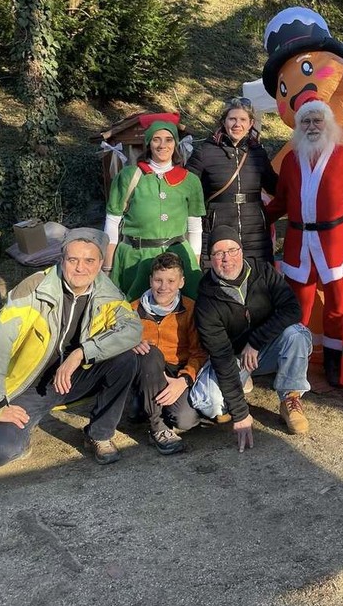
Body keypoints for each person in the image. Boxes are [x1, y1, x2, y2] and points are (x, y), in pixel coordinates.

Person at [0, 228, 141, 467]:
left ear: (99, 264)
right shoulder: (34, 290)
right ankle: (22, 434)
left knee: (126, 359)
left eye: (89, 261)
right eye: (73, 260)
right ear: (61, 259)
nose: (80, 268)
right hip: (30, 387)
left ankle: (99, 434)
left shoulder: (106, 292)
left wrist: (81, 352)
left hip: (74, 377)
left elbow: (132, 329)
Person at [265, 100, 343, 386]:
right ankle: (294, 362)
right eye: (306, 122)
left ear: (328, 123)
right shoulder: (290, 160)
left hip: (335, 245)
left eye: (317, 121)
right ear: (299, 127)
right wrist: (255, 218)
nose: (312, 127)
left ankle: (334, 363)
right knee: (298, 307)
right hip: (299, 243)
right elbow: (282, 202)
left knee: (338, 307)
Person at [195, 226, 313, 446]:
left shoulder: (263, 272)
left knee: (297, 334)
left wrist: (256, 340)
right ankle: (240, 387)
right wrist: (240, 413)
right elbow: (220, 356)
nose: (226, 258)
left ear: (241, 250)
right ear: (210, 259)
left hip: (264, 349)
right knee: (211, 405)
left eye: (232, 250)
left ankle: (290, 397)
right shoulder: (206, 299)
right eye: (218, 253)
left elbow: (292, 309)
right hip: (234, 359)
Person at [103, 119, 206, 300]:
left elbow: (195, 227)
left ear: (175, 143)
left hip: (177, 256)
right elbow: (112, 221)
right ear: (149, 143)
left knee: (182, 313)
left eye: (168, 139)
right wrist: (108, 264)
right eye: (156, 139)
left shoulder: (190, 181)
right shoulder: (129, 176)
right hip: (134, 258)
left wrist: (193, 265)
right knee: (130, 312)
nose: (162, 145)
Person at [130, 252, 207, 455]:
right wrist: (130, 344)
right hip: (144, 372)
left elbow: (199, 352)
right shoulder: (132, 310)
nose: (163, 287)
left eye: (171, 281)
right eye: (158, 280)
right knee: (150, 354)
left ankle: (159, 410)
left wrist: (184, 379)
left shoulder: (190, 309)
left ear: (181, 282)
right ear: (150, 280)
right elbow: (116, 342)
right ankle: (158, 426)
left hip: (176, 372)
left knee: (185, 420)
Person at [188, 97, 278, 266]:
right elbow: (187, 190)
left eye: (243, 119)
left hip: (255, 233)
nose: (238, 124)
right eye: (232, 119)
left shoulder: (258, 153)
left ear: (251, 123)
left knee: (258, 283)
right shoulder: (205, 152)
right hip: (218, 228)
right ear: (223, 121)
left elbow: (276, 187)